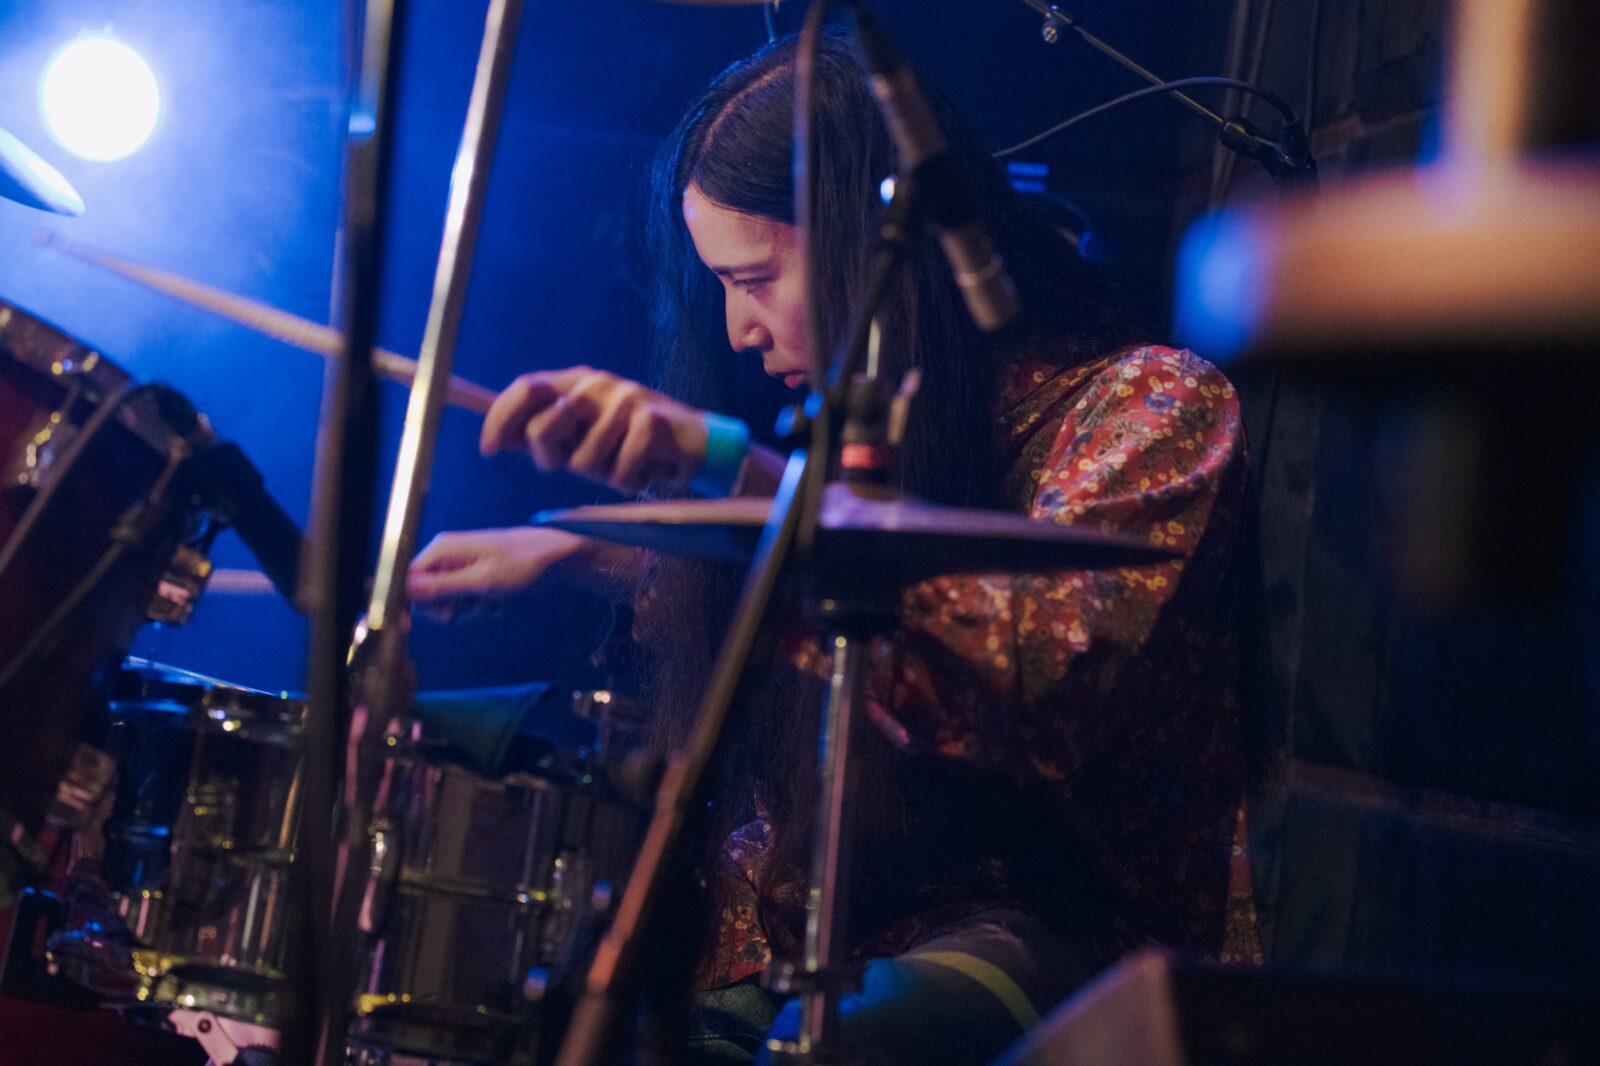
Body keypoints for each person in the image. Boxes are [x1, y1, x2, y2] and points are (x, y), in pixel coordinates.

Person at [409, 30, 1254, 1066]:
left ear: (867, 246)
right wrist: (574, 551)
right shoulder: (873, 429)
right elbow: (807, 584)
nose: (737, 329)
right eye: (721, 285)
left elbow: (1032, 678)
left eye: (756, 276)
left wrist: (730, 468)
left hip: (1048, 928)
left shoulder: (1152, 408)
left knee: (853, 1037)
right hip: (819, 907)